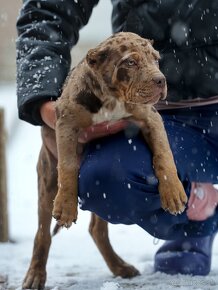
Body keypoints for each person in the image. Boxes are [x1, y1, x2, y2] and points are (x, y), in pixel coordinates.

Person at [16, 0, 218, 276]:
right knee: (106, 179)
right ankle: (194, 218)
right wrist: (44, 100)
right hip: (159, 113)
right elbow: (48, 10)